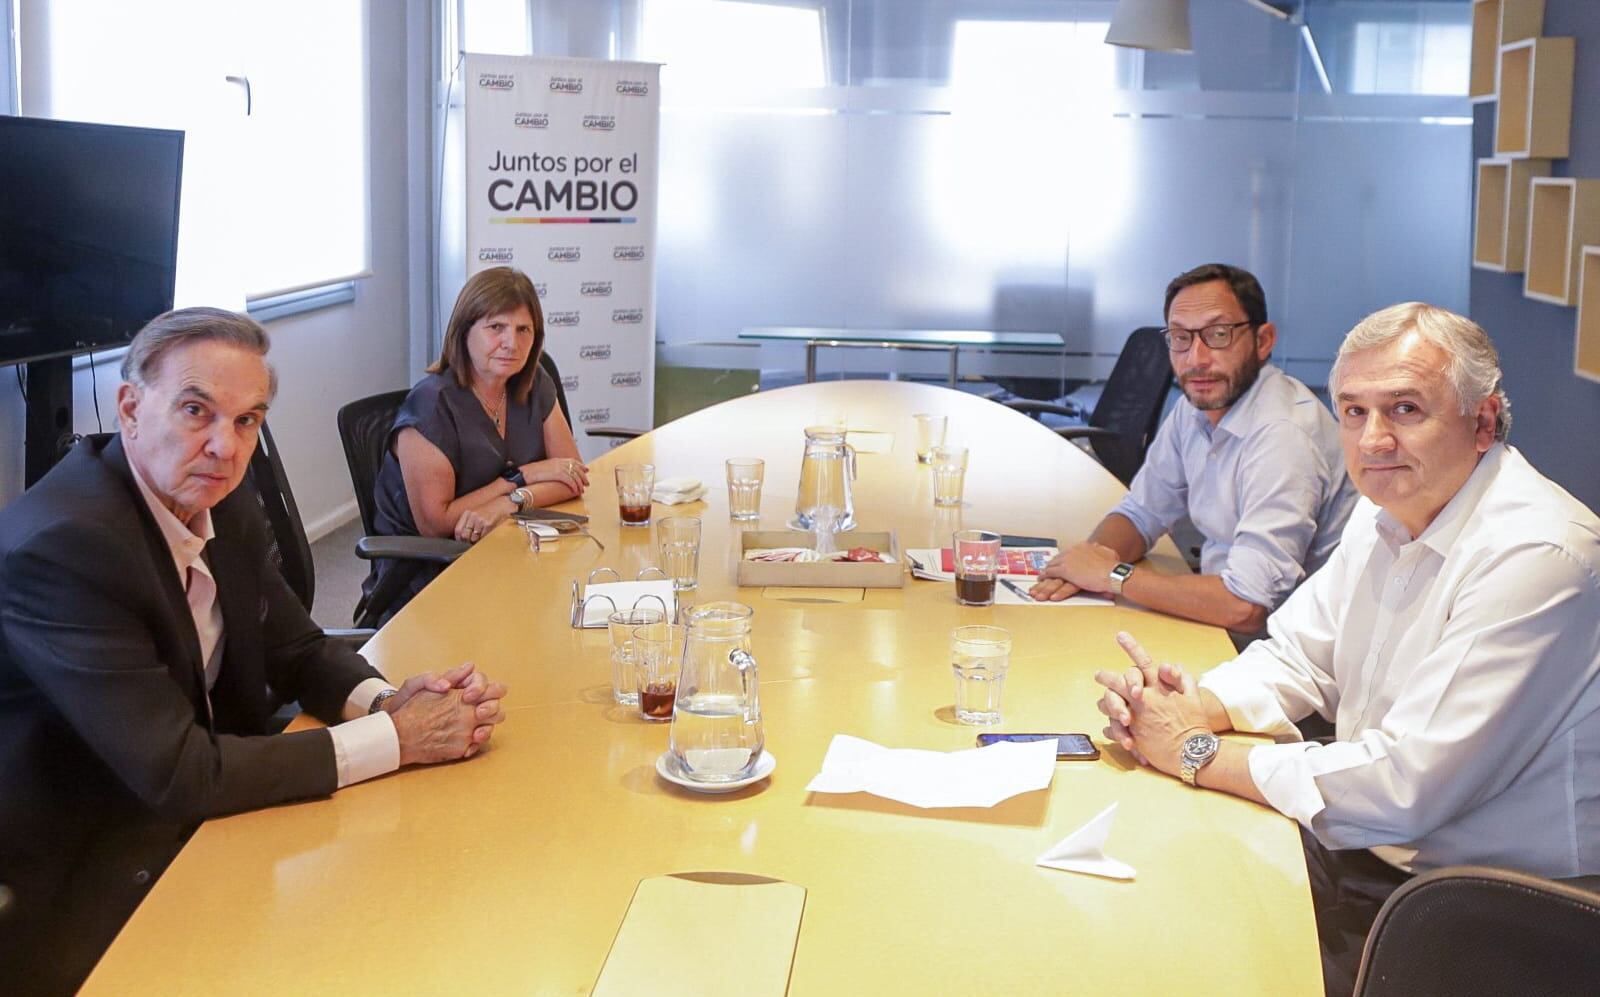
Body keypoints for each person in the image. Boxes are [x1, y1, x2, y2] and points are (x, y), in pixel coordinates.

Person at [1094, 303, 1600, 996]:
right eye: (1354, 412)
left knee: (1203, 965)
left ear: (1483, 421)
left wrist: (1195, 751)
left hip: (1496, 911)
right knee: (1156, 894)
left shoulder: (1539, 554)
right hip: (1380, 857)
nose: (1373, 439)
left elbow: (1405, 785)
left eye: (1405, 409)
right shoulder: (1385, 510)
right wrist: (1191, 706)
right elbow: (1298, 655)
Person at [0, 308, 510, 996]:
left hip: (209, 793)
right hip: (93, 846)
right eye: (195, 410)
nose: (224, 445)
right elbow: (179, 773)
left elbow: (296, 646)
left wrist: (387, 700)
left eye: (247, 421)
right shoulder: (64, 547)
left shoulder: (220, 498)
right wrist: (396, 738)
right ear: (129, 405)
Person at [1031, 263, 1357, 637]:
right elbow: (1142, 513)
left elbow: (1245, 606)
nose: (1197, 359)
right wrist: (1083, 566)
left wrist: (1112, 574)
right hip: (1218, 613)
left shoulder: (1283, 436)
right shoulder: (1196, 406)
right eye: (1180, 337)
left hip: (1281, 648)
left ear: (1263, 341)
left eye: (1218, 334)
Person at [365, 266, 589, 620]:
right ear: (465, 331)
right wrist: (524, 477)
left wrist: (512, 503)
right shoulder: (430, 406)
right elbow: (439, 524)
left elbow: (572, 477)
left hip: (511, 550)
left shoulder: (533, 382)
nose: (511, 343)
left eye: (523, 330)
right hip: (431, 577)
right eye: (496, 327)